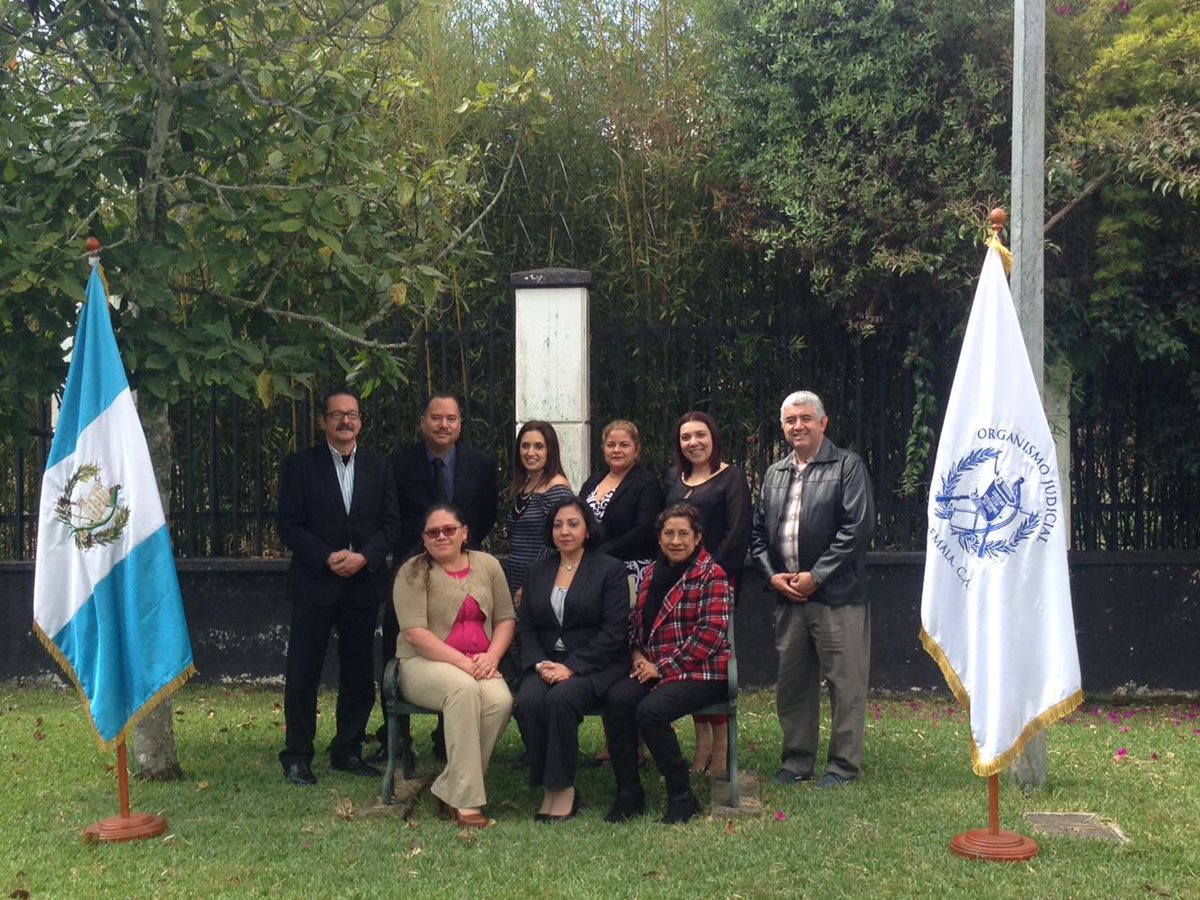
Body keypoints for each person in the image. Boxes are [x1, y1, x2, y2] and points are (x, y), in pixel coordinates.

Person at [750, 390, 875, 789]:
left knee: (846, 684)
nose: (797, 426)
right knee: (794, 684)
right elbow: (757, 535)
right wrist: (772, 575)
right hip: (788, 597)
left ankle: (842, 767)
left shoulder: (847, 466)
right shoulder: (775, 473)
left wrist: (816, 575)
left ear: (824, 422)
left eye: (806, 418)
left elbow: (858, 528)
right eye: (790, 420)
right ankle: (797, 761)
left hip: (837, 597)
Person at [278, 387, 400, 786]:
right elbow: (289, 526)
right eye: (337, 415)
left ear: (361, 421)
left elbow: (391, 524)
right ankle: (297, 755)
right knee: (303, 673)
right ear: (323, 421)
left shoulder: (380, 466)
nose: (346, 421)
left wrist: (364, 556)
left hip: (363, 584)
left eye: (353, 414)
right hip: (316, 583)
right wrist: (326, 556)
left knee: (358, 671)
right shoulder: (299, 466)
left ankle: (347, 749)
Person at [374, 393, 498, 764]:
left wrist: (457, 550)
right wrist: (425, 553)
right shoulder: (397, 464)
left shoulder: (482, 464)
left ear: (461, 425)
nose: (444, 425)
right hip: (412, 573)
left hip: (463, 573)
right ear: (422, 422)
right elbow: (391, 516)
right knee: (400, 650)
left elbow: (487, 514)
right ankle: (395, 738)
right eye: (436, 418)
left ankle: (450, 737)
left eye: (452, 419)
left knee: (460, 646)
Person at [604, 503, 733, 825]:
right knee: (617, 700)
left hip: (703, 670)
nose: (676, 541)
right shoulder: (651, 573)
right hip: (654, 666)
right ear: (659, 539)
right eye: (669, 534)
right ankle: (628, 792)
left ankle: (681, 795)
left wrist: (662, 667)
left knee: (652, 712)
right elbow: (637, 623)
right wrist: (636, 654)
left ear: (698, 537)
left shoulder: (711, 575)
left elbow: (710, 635)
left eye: (683, 534)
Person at [393, 505, 515, 828]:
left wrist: (492, 658)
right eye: (433, 532)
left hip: (479, 663)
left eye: (449, 529)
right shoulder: (413, 571)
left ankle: (450, 786)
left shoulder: (488, 565)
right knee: (462, 689)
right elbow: (414, 634)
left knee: (500, 701)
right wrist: (464, 664)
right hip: (422, 664)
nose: (442, 536)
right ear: (424, 538)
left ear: (465, 533)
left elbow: (505, 619)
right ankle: (467, 804)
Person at [515, 496, 631, 822]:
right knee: (528, 701)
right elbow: (526, 628)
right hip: (546, 662)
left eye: (573, 524)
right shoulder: (538, 569)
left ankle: (562, 787)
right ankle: (547, 785)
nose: (564, 531)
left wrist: (571, 667)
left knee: (561, 700)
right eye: (557, 525)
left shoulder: (610, 569)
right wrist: (539, 664)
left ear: (588, 530)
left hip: (598, 663)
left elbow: (613, 632)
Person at [664, 411, 750, 777]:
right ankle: (701, 747)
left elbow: (738, 532)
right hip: (676, 583)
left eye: (700, 434)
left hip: (717, 581)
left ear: (713, 437)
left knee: (713, 660)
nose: (693, 442)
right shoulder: (673, 478)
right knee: (689, 663)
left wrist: (705, 572)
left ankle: (722, 750)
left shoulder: (731, 477)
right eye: (686, 437)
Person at [579, 419, 664, 589]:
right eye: (611, 445)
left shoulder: (646, 482)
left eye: (624, 445)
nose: (616, 450)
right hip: (590, 566)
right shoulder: (594, 480)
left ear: (636, 450)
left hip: (630, 568)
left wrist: (602, 553)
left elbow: (644, 529)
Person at [501, 420, 574, 607]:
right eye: (525, 446)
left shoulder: (556, 489)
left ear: (550, 450)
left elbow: (558, 542)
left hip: (541, 585)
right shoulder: (524, 486)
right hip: (515, 583)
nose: (530, 452)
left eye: (539, 446)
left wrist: (532, 583)